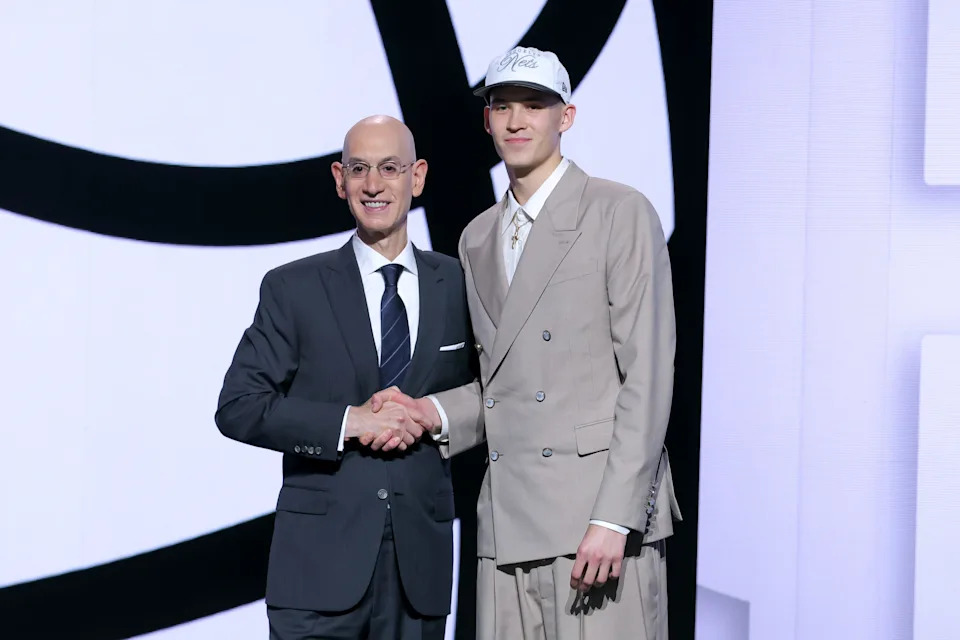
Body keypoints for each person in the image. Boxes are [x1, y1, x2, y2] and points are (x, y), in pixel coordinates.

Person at [373, 46, 681, 639]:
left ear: (565, 116)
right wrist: (430, 412)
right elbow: (502, 382)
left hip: (594, 521)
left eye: (533, 105)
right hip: (507, 524)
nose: (516, 120)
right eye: (502, 105)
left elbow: (648, 376)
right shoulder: (478, 237)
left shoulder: (619, 212)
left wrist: (616, 518)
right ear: (486, 119)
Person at [215, 115, 476, 640]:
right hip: (316, 574)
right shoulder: (294, 287)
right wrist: (348, 423)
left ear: (417, 177)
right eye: (359, 169)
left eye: (390, 168)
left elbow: (497, 392)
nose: (374, 185)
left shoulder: (459, 285)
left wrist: (434, 416)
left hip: (418, 575)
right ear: (340, 180)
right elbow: (239, 405)